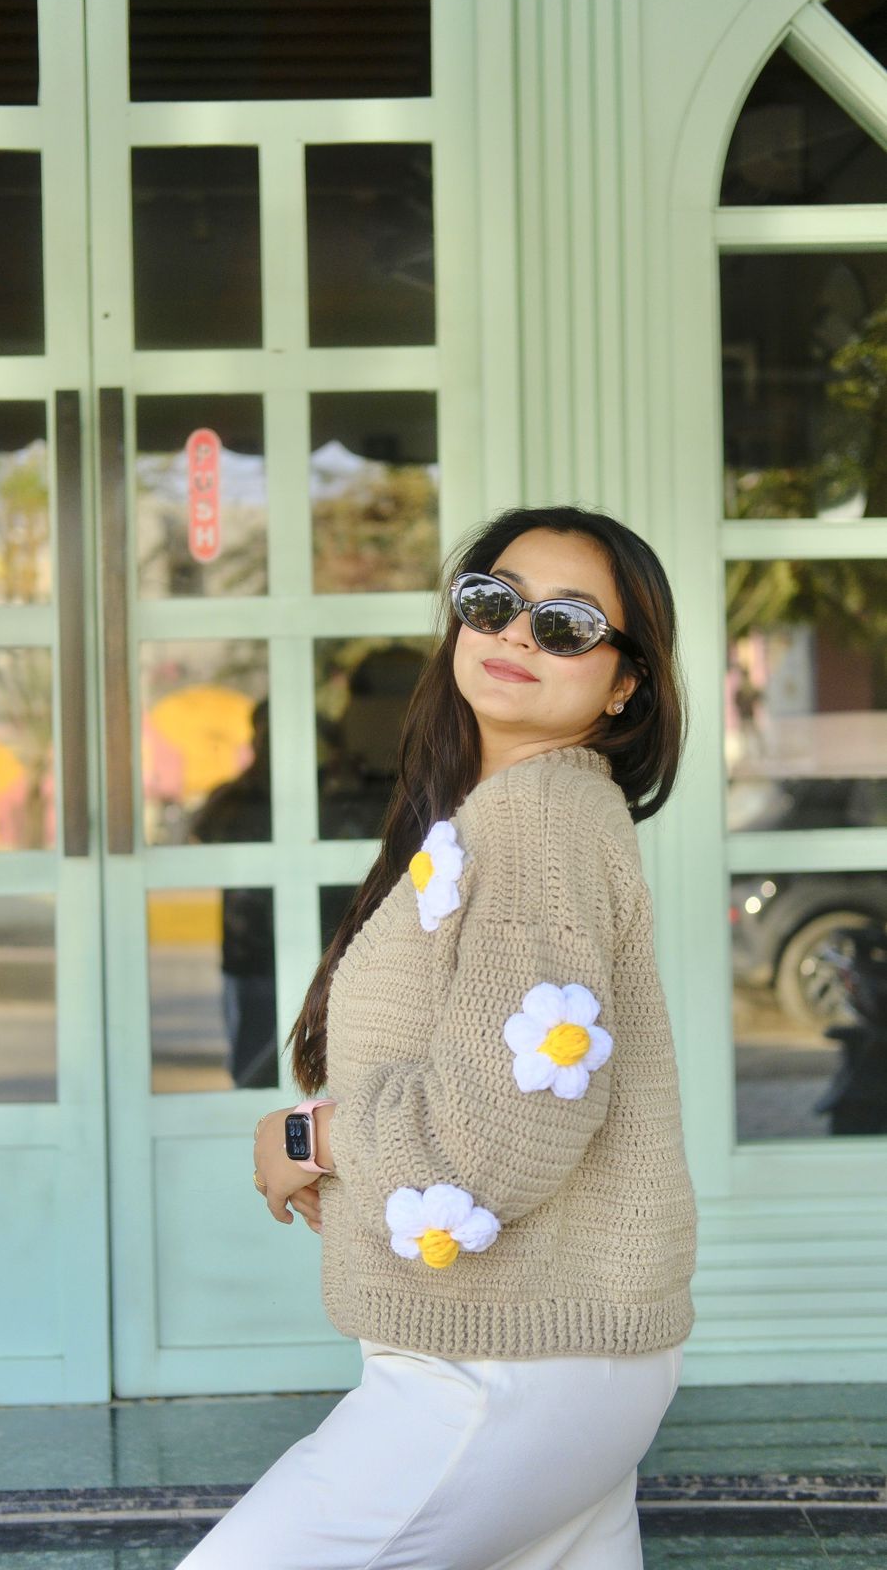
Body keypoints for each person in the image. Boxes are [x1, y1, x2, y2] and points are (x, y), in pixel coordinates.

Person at [180, 505, 698, 1570]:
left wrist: (310, 1136)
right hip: (550, 1355)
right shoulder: (508, 809)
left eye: (565, 625)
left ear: (623, 682)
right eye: (492, 601)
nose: (515, 634)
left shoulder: (538, 818)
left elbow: (509, 1119)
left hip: (497, 1372)